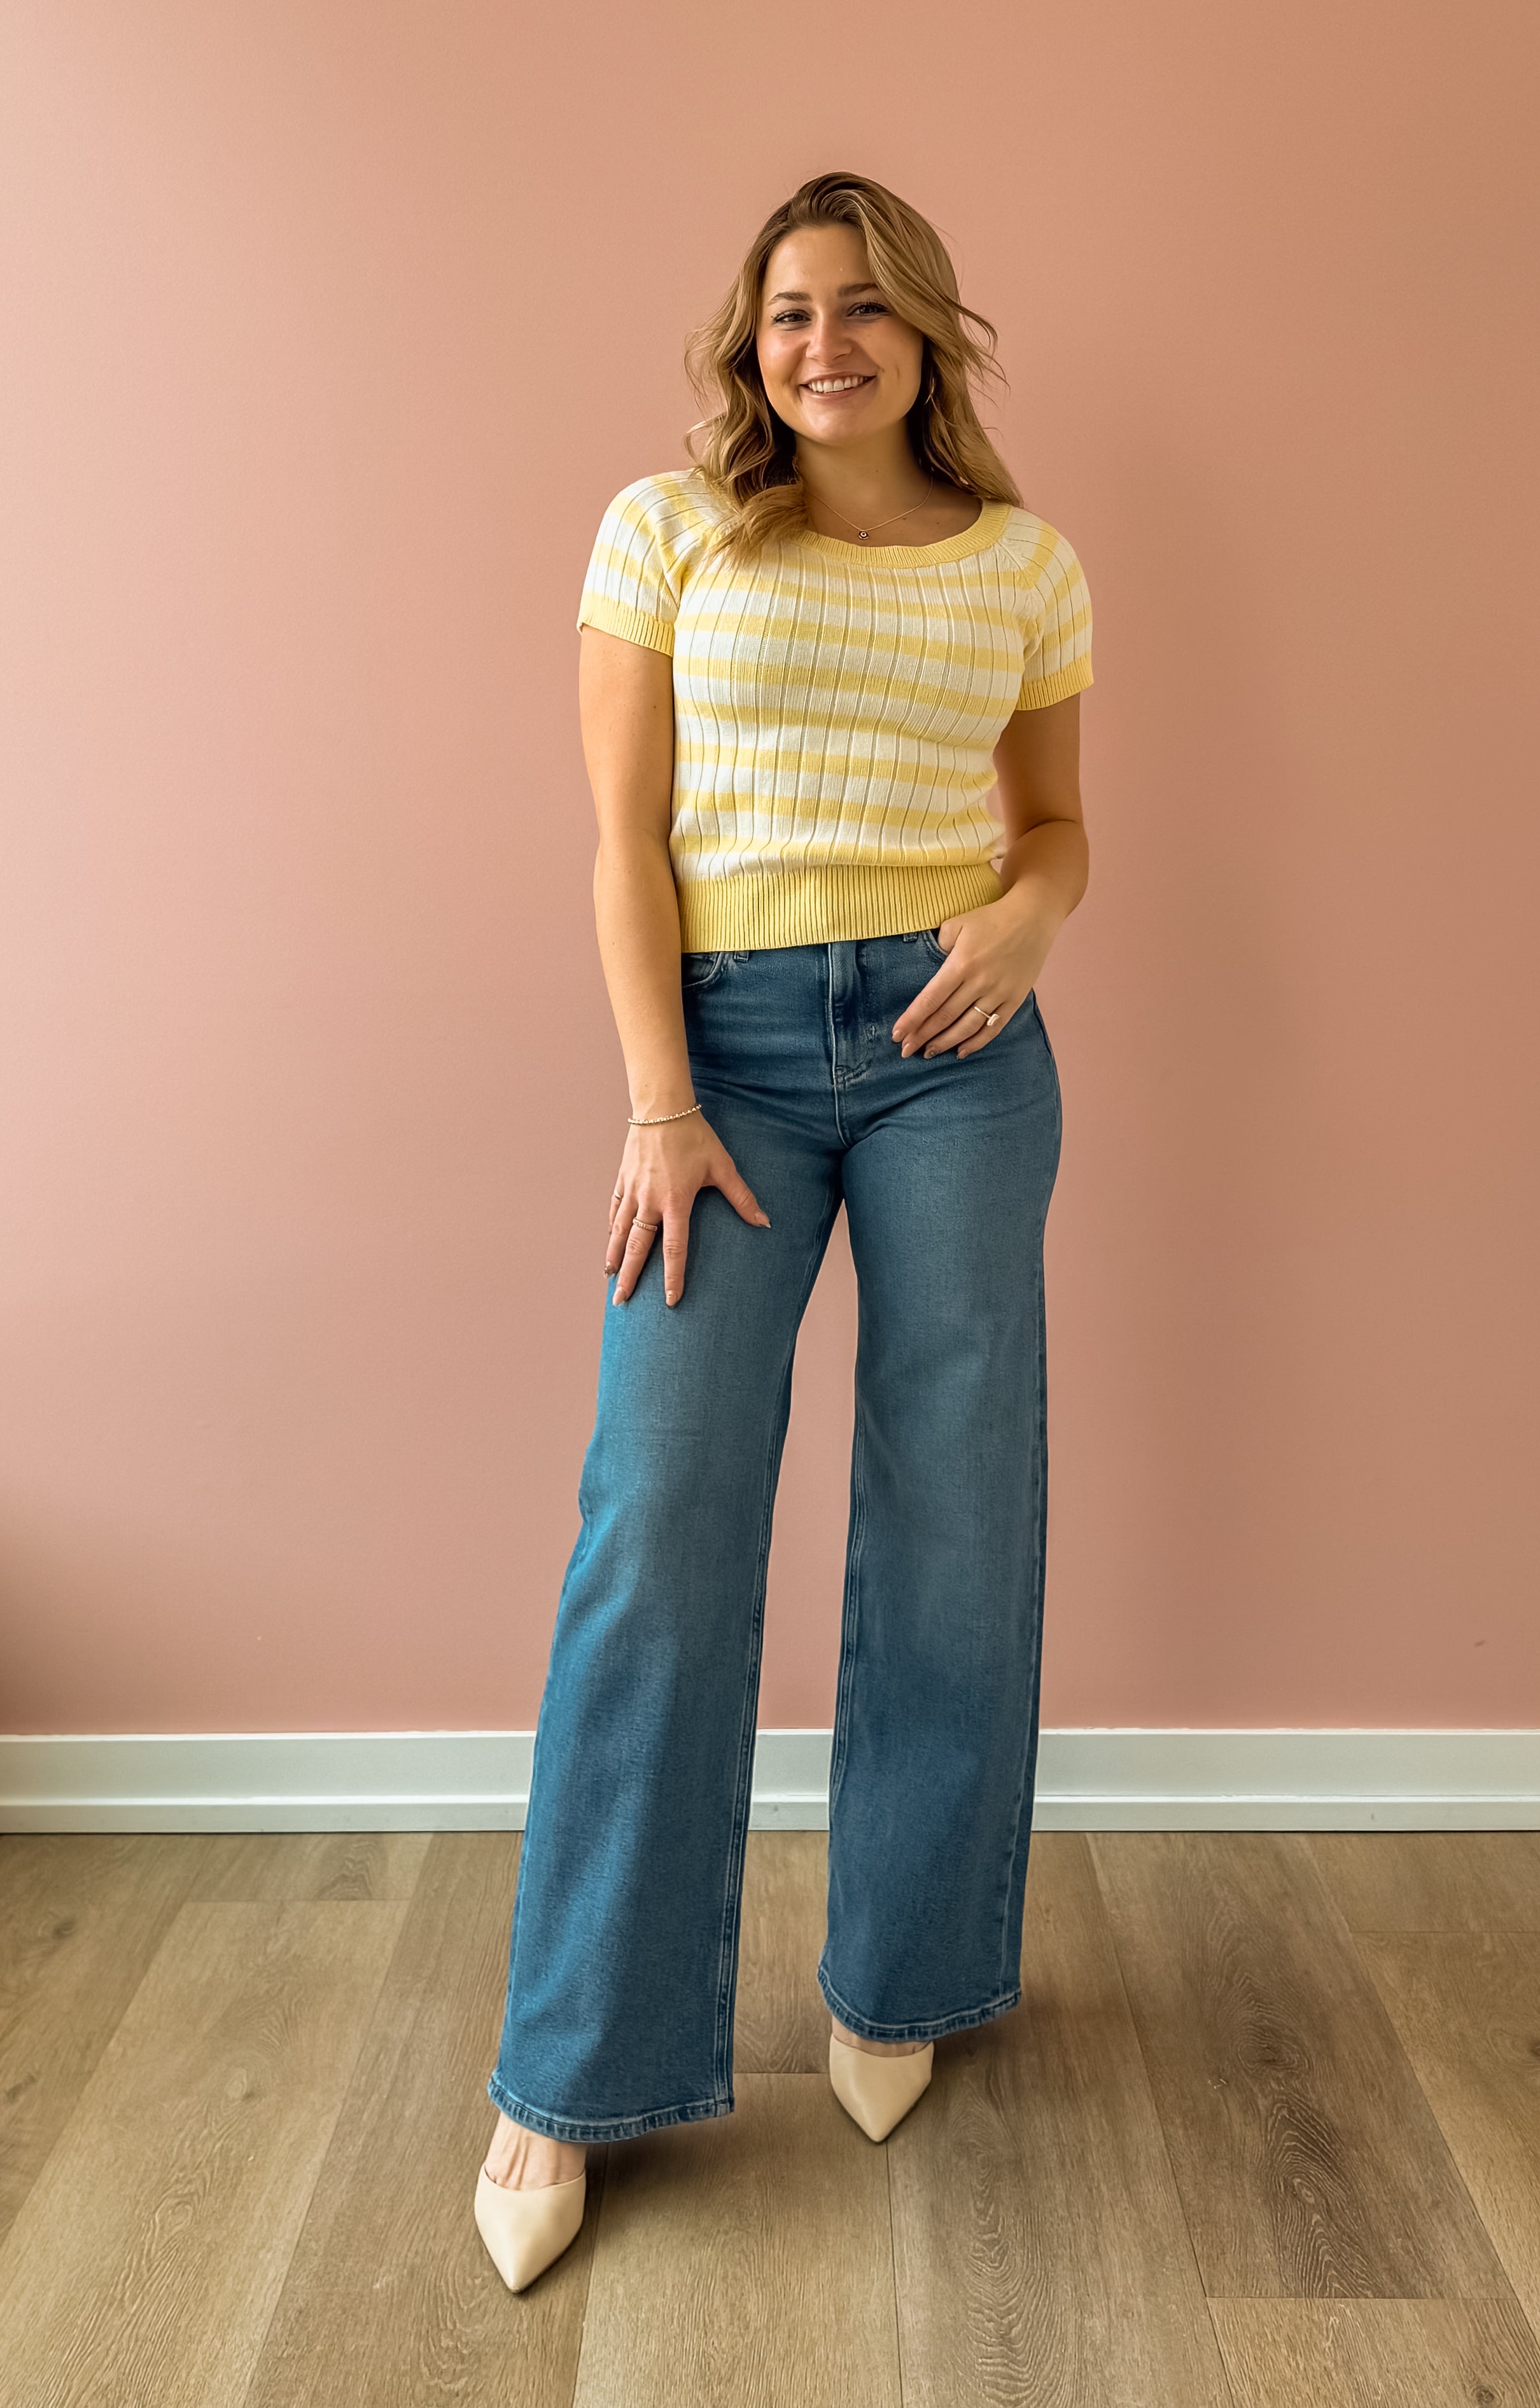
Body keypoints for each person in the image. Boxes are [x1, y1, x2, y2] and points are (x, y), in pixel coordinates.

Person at [472, 169, 1092, 2292]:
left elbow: (1062, 827)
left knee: (953, 1513)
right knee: (659, 1526)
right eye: (782, 314)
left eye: (856, 308)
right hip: (720, 1061)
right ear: (751, 345)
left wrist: (1022, 918)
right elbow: (619, 841)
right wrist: (658, 1100)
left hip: (953, 1056)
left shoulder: (1025, 562)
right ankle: (569, 2069)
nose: (817, 343)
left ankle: (899, 1970)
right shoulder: (668, 532)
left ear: (928, 330)